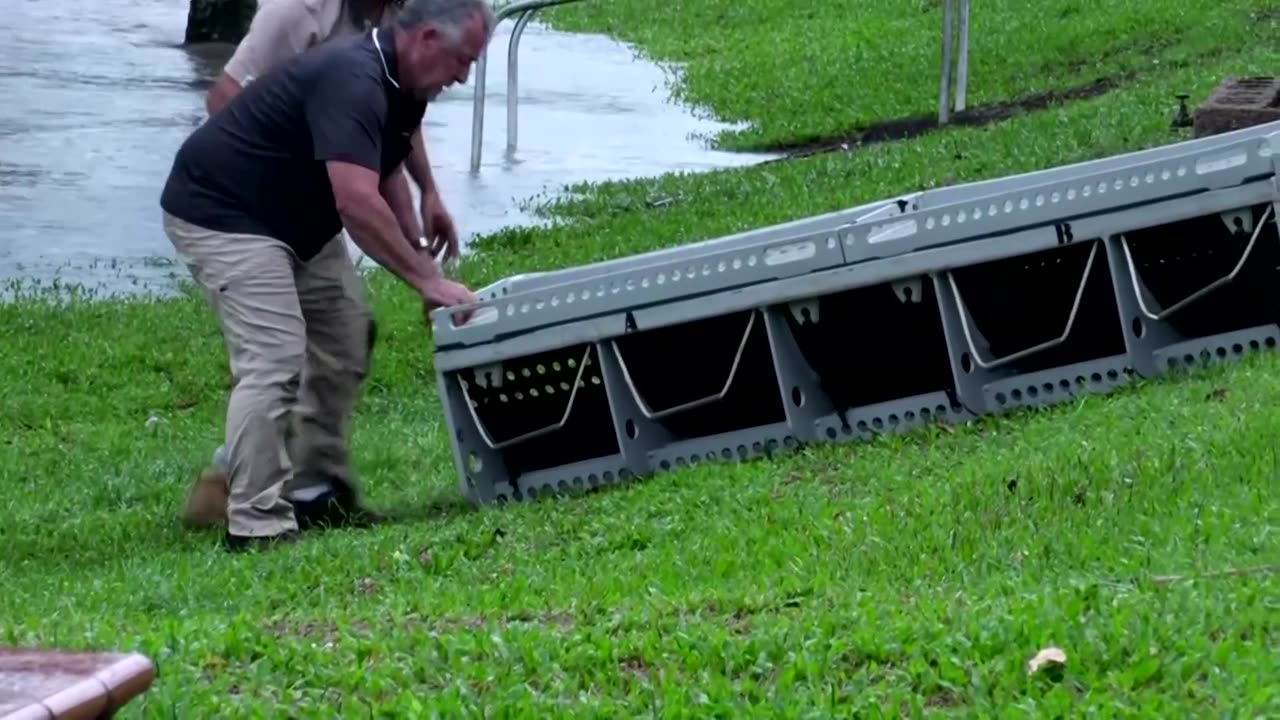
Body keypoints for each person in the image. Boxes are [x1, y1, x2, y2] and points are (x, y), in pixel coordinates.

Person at [159, 0, 494, 551]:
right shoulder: (353, 76)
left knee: (346, 329)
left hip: (294, 216)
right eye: (463, 61)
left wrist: (421, 249)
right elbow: (356, 203)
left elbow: (380, 163)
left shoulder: (402, 80)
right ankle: (256, 521)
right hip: (224, 209)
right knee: (275, 355)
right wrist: (427, 282)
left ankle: (317, 487)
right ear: (429, 38)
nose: (461, 76)